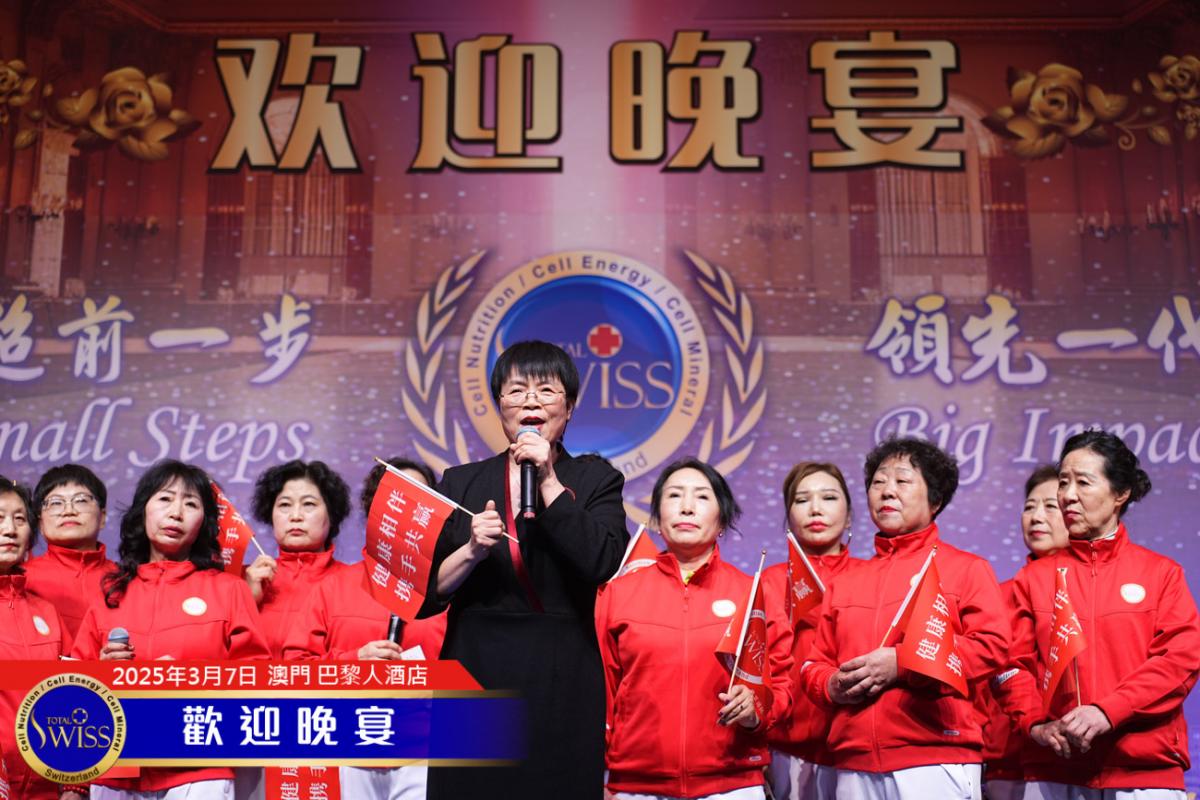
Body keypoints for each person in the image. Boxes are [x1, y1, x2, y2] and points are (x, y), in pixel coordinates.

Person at [418, 340, 629, 800]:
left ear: (569, 408)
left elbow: (602, 561)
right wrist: (471, 550)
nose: (531, 401)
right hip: (474, 669)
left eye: (546, 390)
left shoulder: (596, 479)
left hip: (562, 673)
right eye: (516, 390)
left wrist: (549, 480)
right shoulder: (460, 481)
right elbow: (427, 592)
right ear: (499, 405)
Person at [799, 437, 1009, 800]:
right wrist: (831, 685)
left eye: (902, 480)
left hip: (935, 757)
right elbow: (815, 664)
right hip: (854, 761)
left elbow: (992, 647)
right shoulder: (846, 581)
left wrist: (903, 663)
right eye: (878, 481)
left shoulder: (966, 569)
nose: (887, 491)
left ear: (935, 500)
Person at [1009, 430, 1200, 800]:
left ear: (1120, 493)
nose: (1068, 495)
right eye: (1063, 481)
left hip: (1143, 771)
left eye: (1083, 482)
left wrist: (1107, 711)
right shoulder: (1032, 579)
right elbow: (1012, 665)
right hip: (1053, 769)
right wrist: (1035, 725)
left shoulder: (1161, 573)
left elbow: (1179, 660)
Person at [71, 460, 270, 799]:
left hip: (198, 767)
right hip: (115, 768)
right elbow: (73, 689)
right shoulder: (110, 593)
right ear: (143, 510)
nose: (176, 513)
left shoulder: (229, 590)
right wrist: (102, 674)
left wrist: (188, 680)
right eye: (165, 499)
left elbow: (256, 679)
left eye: (190, 504)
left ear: (204, 522)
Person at [597, 458, 794, 800]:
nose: (687, 507)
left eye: (702, 497)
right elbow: (602, 691)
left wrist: (756, 709)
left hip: (732, 785)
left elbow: (781, 685)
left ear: (723, 519)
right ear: (656, 518)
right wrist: (598, 773)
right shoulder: (617, 594)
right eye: (674, 495)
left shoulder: (752, 595)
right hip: (636, 785)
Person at [283, 456, 447, 800]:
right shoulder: (333, 587)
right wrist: (354, 663)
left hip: (427, 752)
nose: (406, 511)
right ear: (372, 509)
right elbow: (294, 672)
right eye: (395, 498)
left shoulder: (450, 594)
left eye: (418, 499)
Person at [762, 462, 862, 800]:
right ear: (788, 517)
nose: (815, 509)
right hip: (785, 749)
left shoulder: (873, 578)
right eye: (802, 500)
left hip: (858, 748)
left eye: (829, 497)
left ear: (849, 517)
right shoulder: (767, 583)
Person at [981, 465, 1067, 800]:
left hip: (1075, 759)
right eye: (1030, 506)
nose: (1036, 516)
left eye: (1050, 506)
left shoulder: (1093, 595)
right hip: (1005, 762)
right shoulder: (997, 595)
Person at [0, 478, 69, 800]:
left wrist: (75, 784)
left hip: (46, 787)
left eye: (20, 519)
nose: (10, 530)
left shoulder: (46, 612)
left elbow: (71, 696)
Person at [244, 459, 354, 657]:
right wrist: (245, 601)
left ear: (332, 515)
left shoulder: (354, 583)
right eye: (285, 505)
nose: (295, 516)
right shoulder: (246, 580)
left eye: (308, 504)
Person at [25, 464, 116, 638]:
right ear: (40, 523)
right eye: (56, 503)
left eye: (81, 500)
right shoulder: (22, 580)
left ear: (102, 517)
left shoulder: (125, 580)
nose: (69, 511)